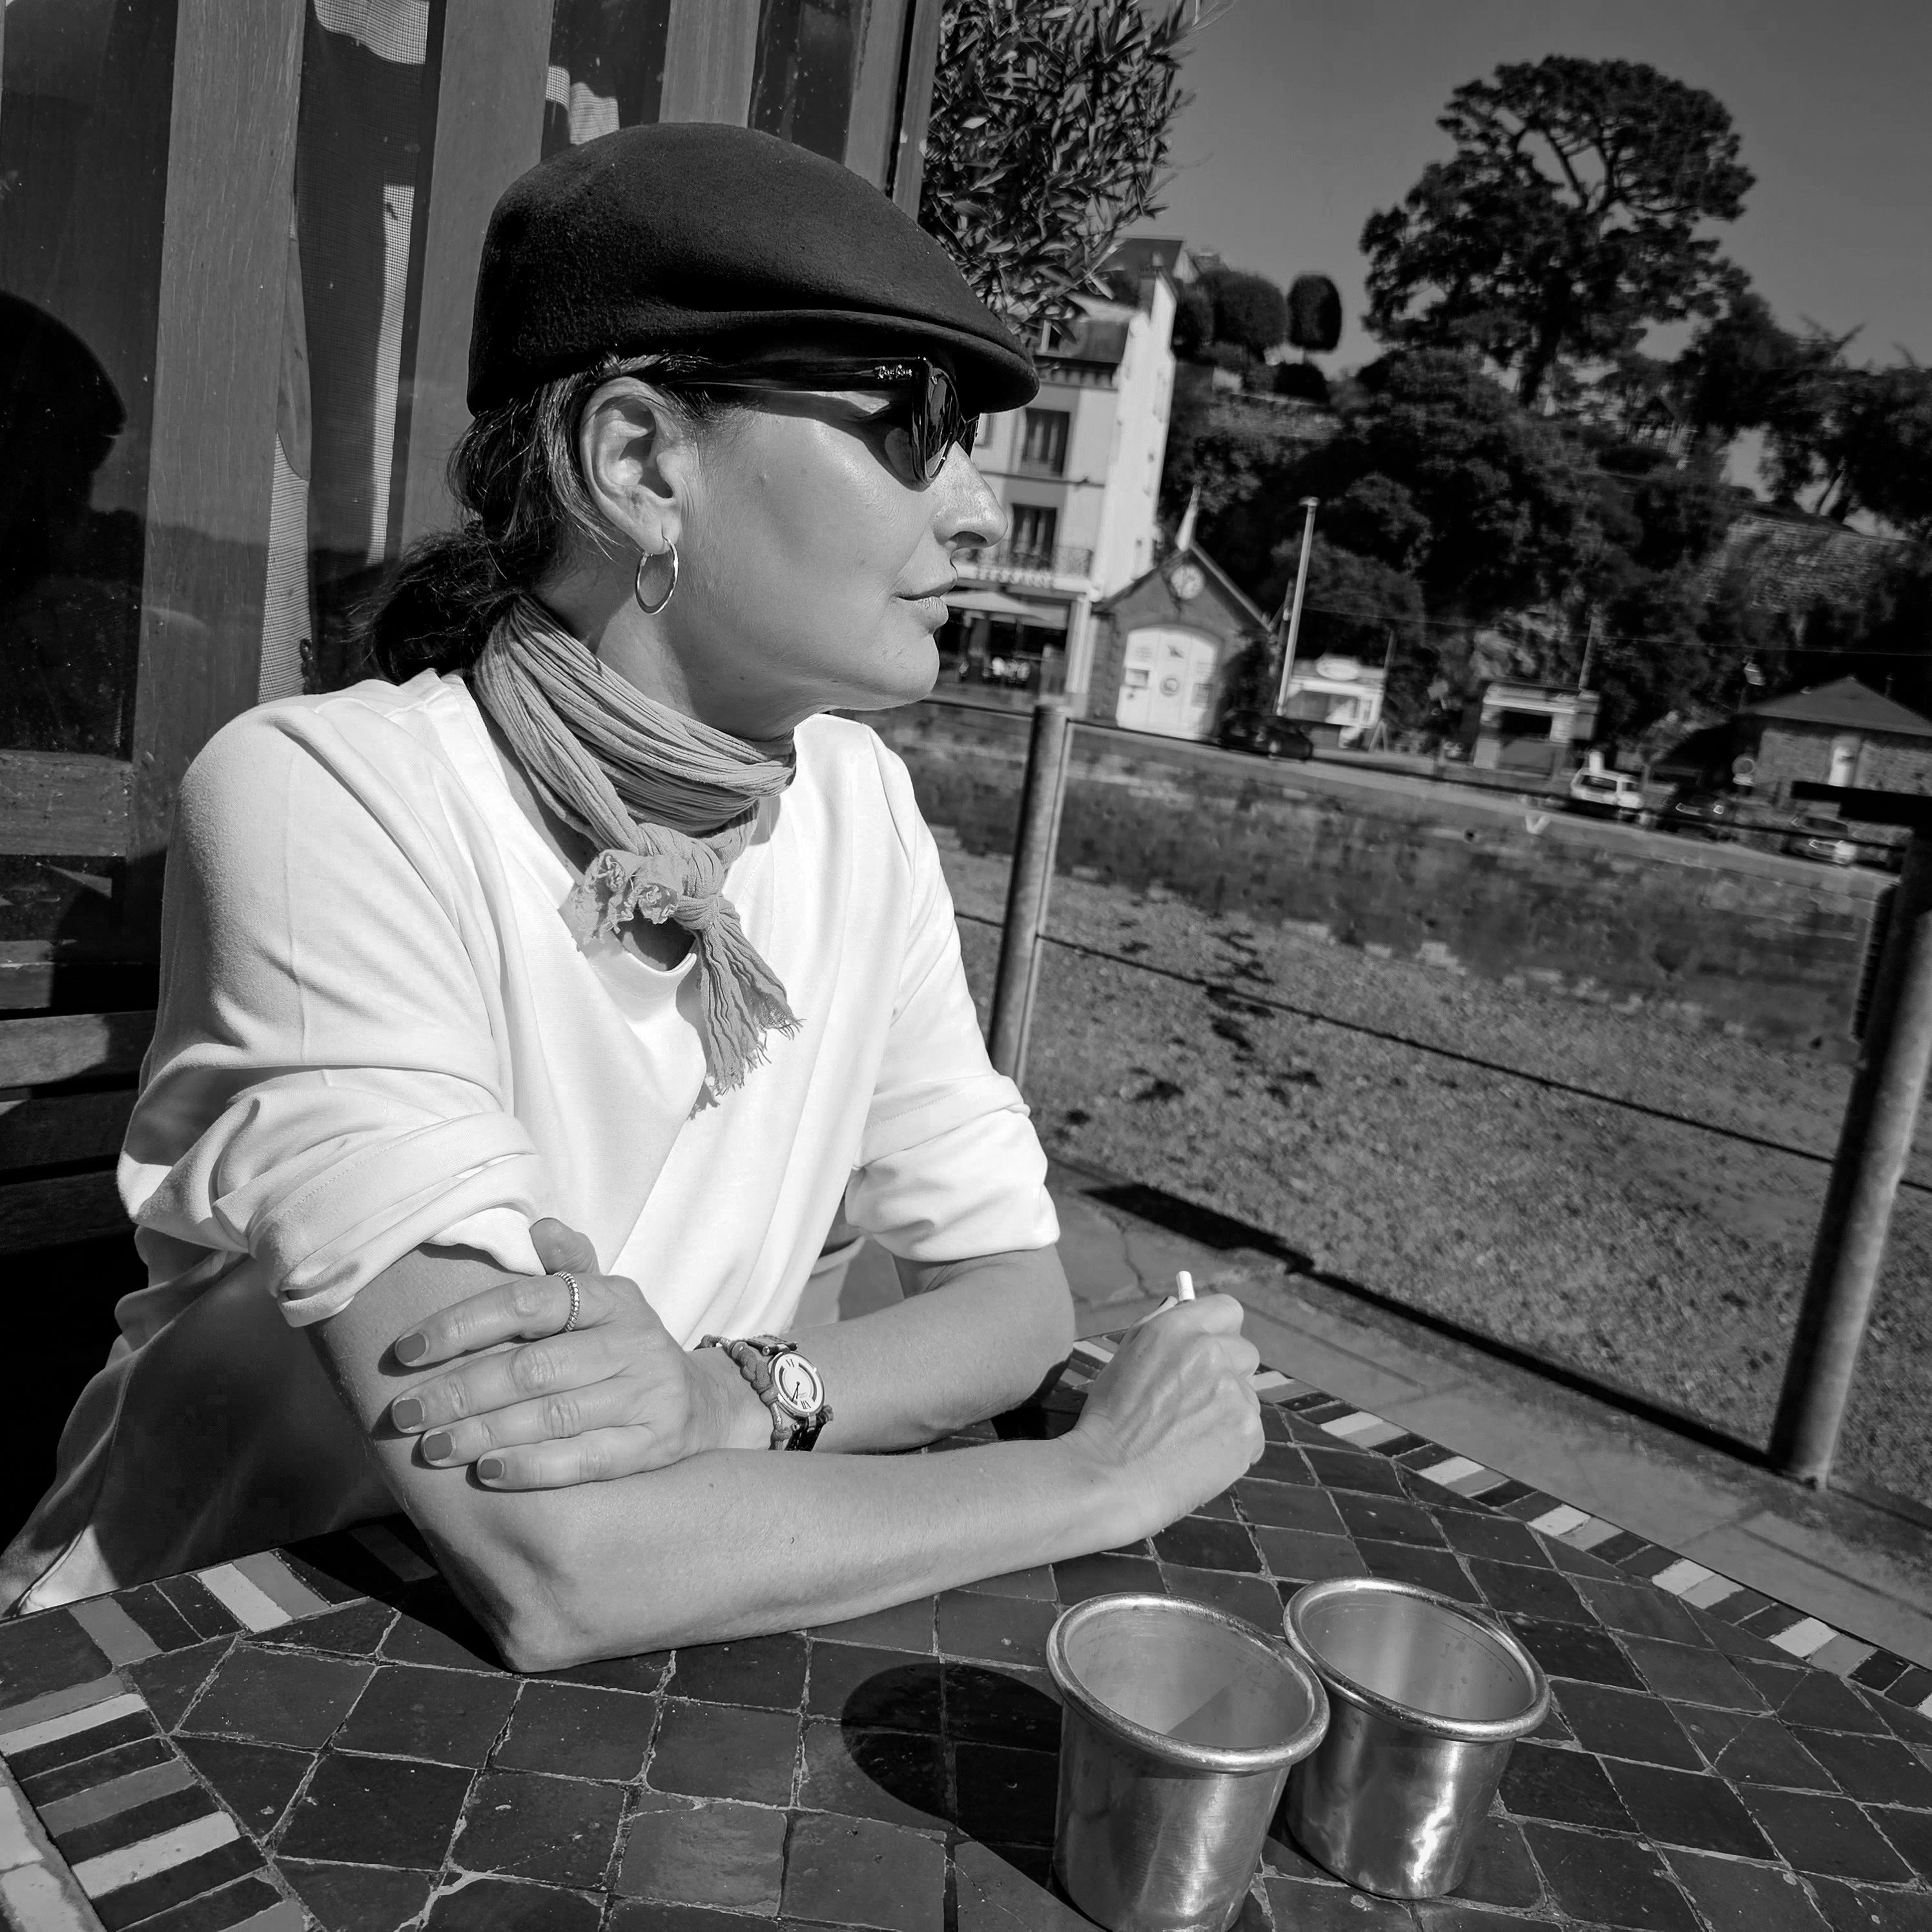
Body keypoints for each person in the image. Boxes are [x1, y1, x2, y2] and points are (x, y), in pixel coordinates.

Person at [1, 125, 1263, 1664]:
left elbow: (1010, 1294)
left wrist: (734, 1392)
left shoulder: (857, 806)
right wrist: (1099, 1475)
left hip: (609, 1678)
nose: (977, 512)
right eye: (909, 426)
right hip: (183, 1658)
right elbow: (561, 1561)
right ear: (642, 463)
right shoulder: (326, 798)